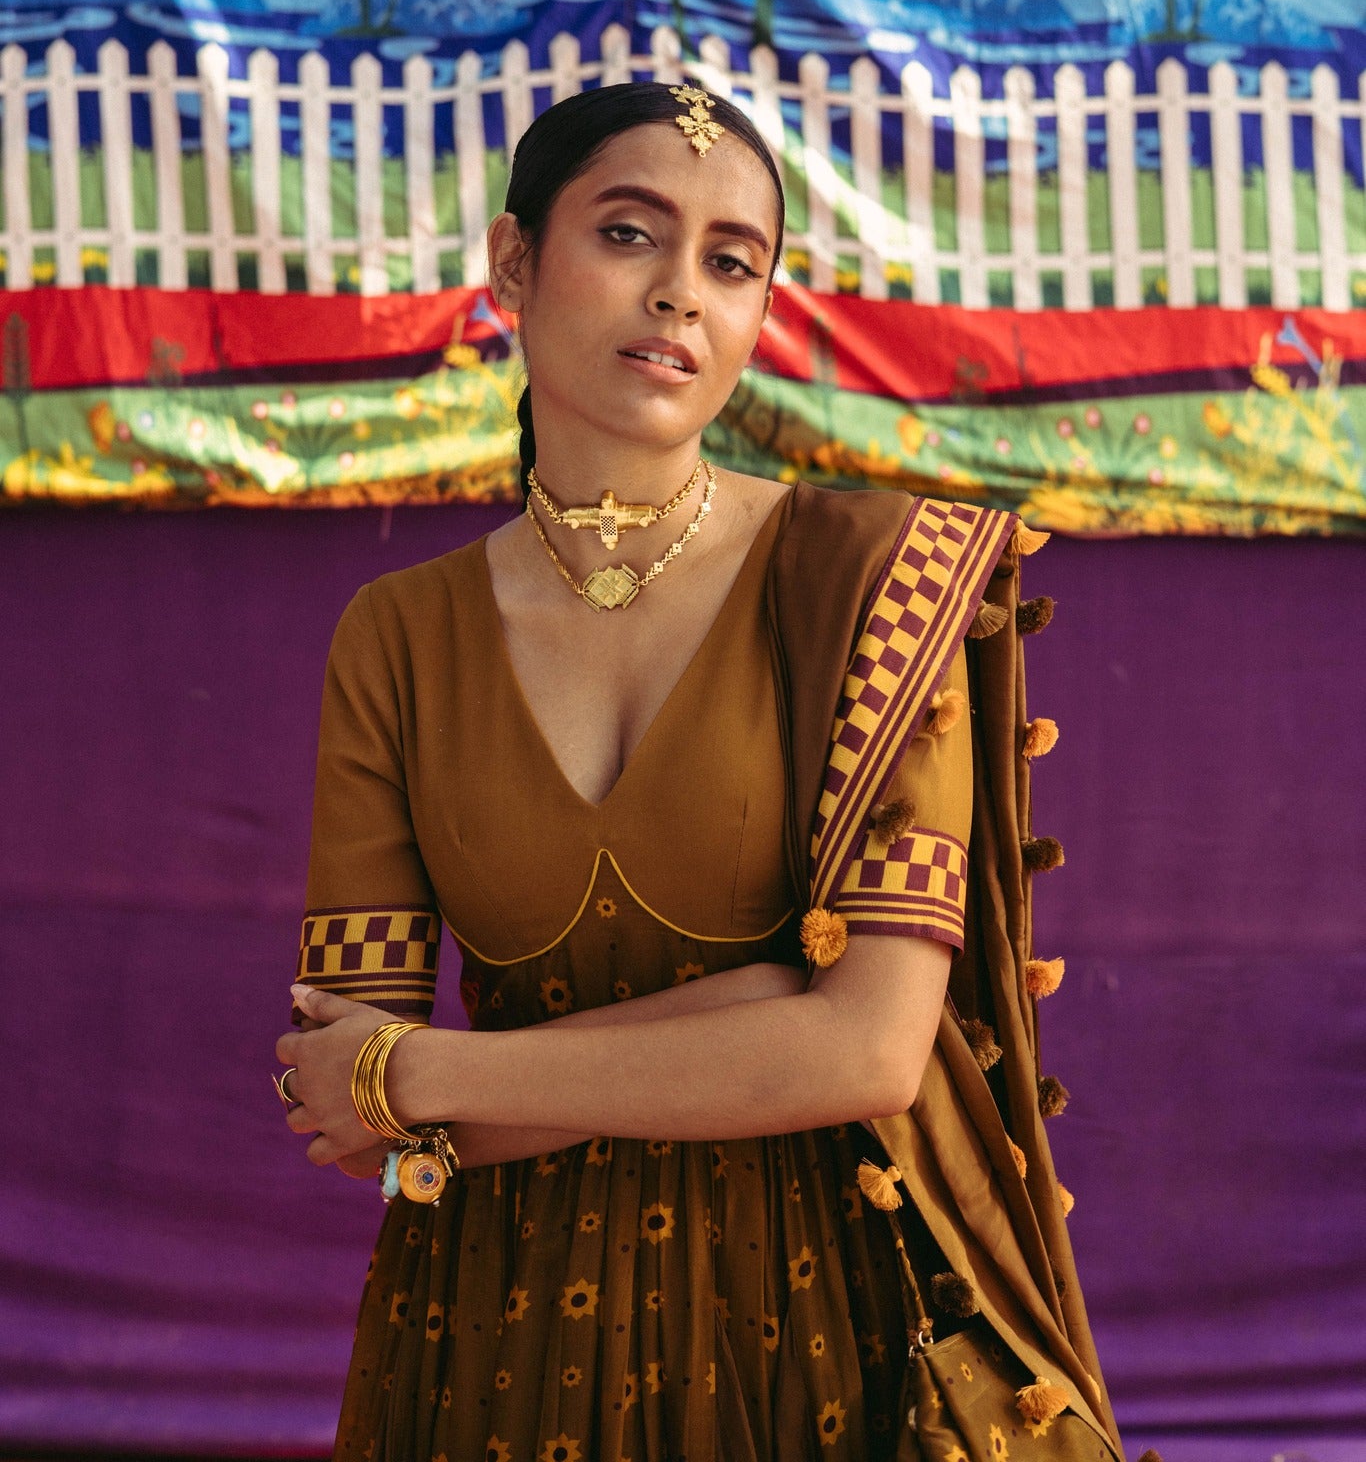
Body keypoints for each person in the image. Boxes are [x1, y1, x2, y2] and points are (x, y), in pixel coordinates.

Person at [275, 81, 1121, 1462]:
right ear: (509, 267)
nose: (679, 294)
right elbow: (343, 1102)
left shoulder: (869, 587)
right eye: (627, 234)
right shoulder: (400, 637)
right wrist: (756, 1010)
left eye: (729, 263)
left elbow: (864, 1048)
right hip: (494, 1347)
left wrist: (433, 1075)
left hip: (833, 1335)